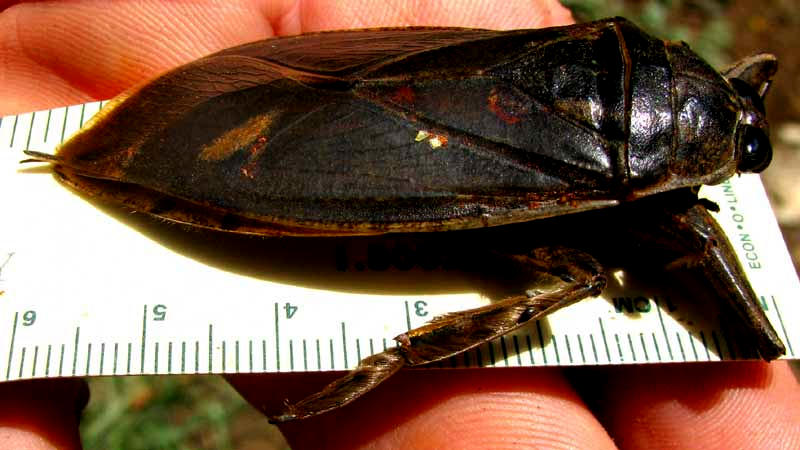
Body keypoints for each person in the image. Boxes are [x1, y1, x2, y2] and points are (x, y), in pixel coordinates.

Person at [2, 1, 798, 448]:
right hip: (252, 162)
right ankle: (403, 359)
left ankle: (401, 357)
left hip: (289, 110)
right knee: (579, 275)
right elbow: (736, 315)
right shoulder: (635, 180)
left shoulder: (613, 45)